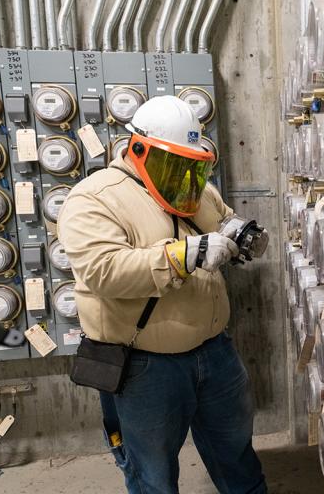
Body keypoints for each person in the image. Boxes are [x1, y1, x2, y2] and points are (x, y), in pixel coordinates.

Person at [57, 95, 267, 494]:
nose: (185, 173)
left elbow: (219, 219)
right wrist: (184, 255)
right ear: (137, 148)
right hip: (146, 367)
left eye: (192, 162)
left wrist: (236, 232)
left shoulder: (192, 185)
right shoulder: (94, 197)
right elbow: (103, 271)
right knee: (152, 474)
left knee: (236, 455)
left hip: (215, 352)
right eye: (174, 161)